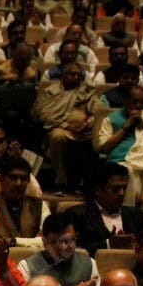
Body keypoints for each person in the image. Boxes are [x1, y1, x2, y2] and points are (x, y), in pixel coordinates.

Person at [33, 62, 97, 193]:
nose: (75, 77)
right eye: (72, 74)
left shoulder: (87, 92)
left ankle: (87, 184)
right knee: (57, 136)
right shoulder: (51, 91)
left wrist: (88, 122)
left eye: (78, 75)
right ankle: (60, 180)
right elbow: (43, 115)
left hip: (84, 130)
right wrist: (67, 125)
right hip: (60, 128)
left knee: (100, 137)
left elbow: (99, 113)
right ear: (63, 75)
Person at [96, 84, 143, 207]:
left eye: (142, 103)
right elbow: (104, 147)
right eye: (134, 101)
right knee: (130, 174)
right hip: (121, 163)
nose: (138, 106)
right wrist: (126, 126)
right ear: (126, 100)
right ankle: (128, 218)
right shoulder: (111, 119)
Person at [16, 213, 100, 286]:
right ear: (44, 240)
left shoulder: (90, 263)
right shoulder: (26, 266)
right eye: (56, 242)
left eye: (68, 240)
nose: (63, 247)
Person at [68, 163, 143, 256]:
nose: (121, 193)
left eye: (124, 188)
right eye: (116, 188)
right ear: (98, 190)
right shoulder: (77, 215)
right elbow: (70, 251)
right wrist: (108, 244)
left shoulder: (136, 215)